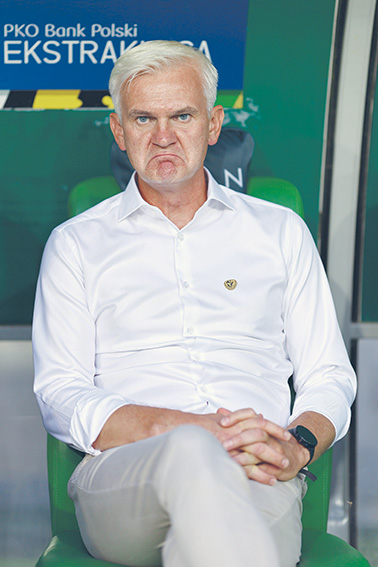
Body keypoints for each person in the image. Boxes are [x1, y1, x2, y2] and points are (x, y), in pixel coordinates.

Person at [33, 40, 356, 567]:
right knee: (189, 451)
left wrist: (296, 445)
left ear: (213, 124)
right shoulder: (77, 244)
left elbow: (329, 373)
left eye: (182, 115)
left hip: (258, 475)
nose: (163, 136)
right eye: (143, 118)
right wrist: (181, 428)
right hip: (127, 476)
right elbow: (59, 392)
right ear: (119, 131)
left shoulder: (280, 232)